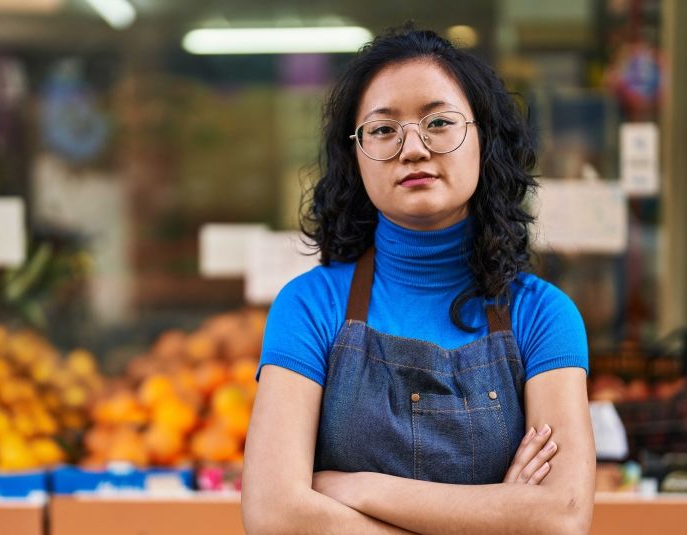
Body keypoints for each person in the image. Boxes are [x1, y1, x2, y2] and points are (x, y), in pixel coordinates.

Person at [242, 27, 595, 535]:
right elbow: (274, 516)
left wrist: (355, 487)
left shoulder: (542, 316)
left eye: (439, 122)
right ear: (355, 156)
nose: (413, 149)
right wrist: (498, 515)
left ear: (483, 138)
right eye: (383, 130)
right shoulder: (310, 307)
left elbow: (561, 518)